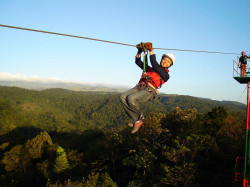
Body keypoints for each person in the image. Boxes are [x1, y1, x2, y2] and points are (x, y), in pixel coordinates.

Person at [120, 42, 175, 134]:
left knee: (131, 98)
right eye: (165, 59)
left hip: (150, 90)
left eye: (168, 62)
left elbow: (155, 63)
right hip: (140, 86)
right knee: (122, 97)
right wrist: (139, 52)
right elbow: (138, 62)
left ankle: (138, 120)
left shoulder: (165, 75)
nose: (165, 62)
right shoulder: (150, 69)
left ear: (169, 65)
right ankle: (136, 120)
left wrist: (151, 51)